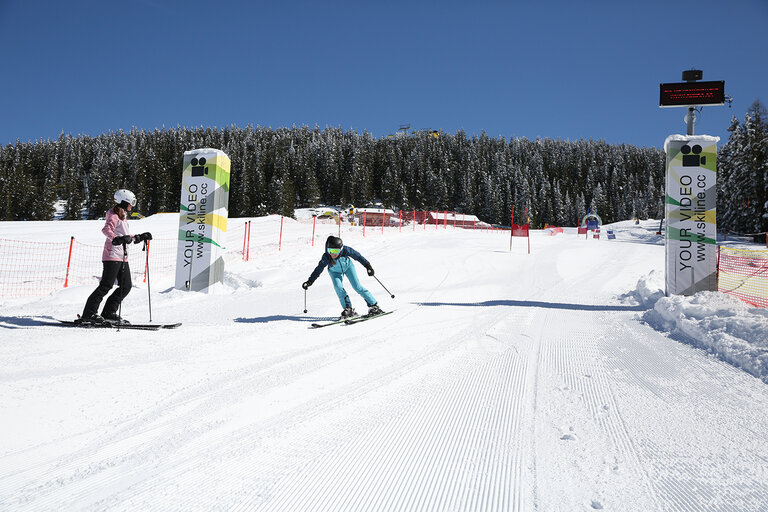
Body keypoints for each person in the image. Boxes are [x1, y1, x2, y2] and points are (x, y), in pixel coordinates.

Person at [77, 189, 152, 325]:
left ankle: (109, 312)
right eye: (131, 202)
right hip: (112, 255)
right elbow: (106, 230)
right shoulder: (113, 214)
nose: (132, 205)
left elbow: (125, 237)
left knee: (126, 286)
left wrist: (140, 237)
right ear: (123, 202)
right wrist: (115, 238)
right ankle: (89, 313)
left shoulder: (122, 215)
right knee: (106, 285)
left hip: (122, 256)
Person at [303, 235, 383, 319]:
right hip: (334, 272)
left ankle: (374, 306)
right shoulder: (326, 256)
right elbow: (318, 269)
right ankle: (348, 309)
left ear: (340, 249)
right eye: (330, 250)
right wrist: (309, 281)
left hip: (348, 267)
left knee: (357, 286)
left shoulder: (346, 250)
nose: (332, 253)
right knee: (338, 288)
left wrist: (368, 266)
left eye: (335, 251)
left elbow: (358, 257)